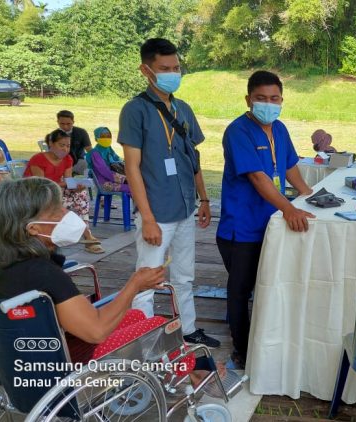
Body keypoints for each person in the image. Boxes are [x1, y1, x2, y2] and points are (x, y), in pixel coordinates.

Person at [0, 177, 231, 395]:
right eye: (56, 211)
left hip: (27, 365)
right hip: (65, 371)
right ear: (33, 228)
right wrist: (135, 284)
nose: (66, 213)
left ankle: (186, 367)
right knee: (157, 327)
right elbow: (96, 332)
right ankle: (193, 371)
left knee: (134, 316)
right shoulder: (44, 274)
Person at [118, 38, 219, 348]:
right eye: (165, 68)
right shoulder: (135, 110)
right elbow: (132, 167)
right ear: (146, 70)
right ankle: (144, 338)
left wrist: (203, 199)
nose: (172, 73)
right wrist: (147, 218)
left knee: (184, 276)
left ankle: (188, 330)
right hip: (157, 212)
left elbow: (194, 159)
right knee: (147, 278)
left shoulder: (183, 109)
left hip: (185, 206)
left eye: (176, 68)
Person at [216, 70, 314, 369]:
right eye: (261, 99)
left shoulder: (280, 128)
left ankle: (266, 340)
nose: (268, 104)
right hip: (241, 226)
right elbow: (259, 178)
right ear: (248, 99)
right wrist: (289, 209)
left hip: (271, 225)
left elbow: (290, 168)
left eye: (274, 98)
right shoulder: (238, 131)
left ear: (282, 100)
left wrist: (309, 196)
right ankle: (243, 350)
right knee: (240, 289)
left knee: (269, 285)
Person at [24, 129, 104, 254]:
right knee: (68, 199)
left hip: (56, 190)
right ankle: (86, 236)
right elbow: (40, 184)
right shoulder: (38, 159)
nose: (65, 149)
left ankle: (87, 234)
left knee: (80, 194)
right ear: (51, 143)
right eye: (61, 145)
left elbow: (68, 180)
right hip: (35, 193)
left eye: (67, 146)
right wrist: (66, 184)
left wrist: (76, 186)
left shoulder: (67, 159)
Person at [86, 127, 130, 193]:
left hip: (114, 181)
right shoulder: (95, 153)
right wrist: (124, 179)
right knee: (134, 188)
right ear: (96, 139)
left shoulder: (109, 150)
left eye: (108, 136)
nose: (106, 138)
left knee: (137, 186)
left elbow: (119, 161)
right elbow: (105, 171)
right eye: (103, 136)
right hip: (104, 183)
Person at [56, 110, 92, 175]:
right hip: (60, 164)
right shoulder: (54, 135)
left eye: (68, 124)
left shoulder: (81, 132)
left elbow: (89, 150)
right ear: (58, 122)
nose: (65, 127)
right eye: (62, 124)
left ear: (73, 122)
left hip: (79, 163)